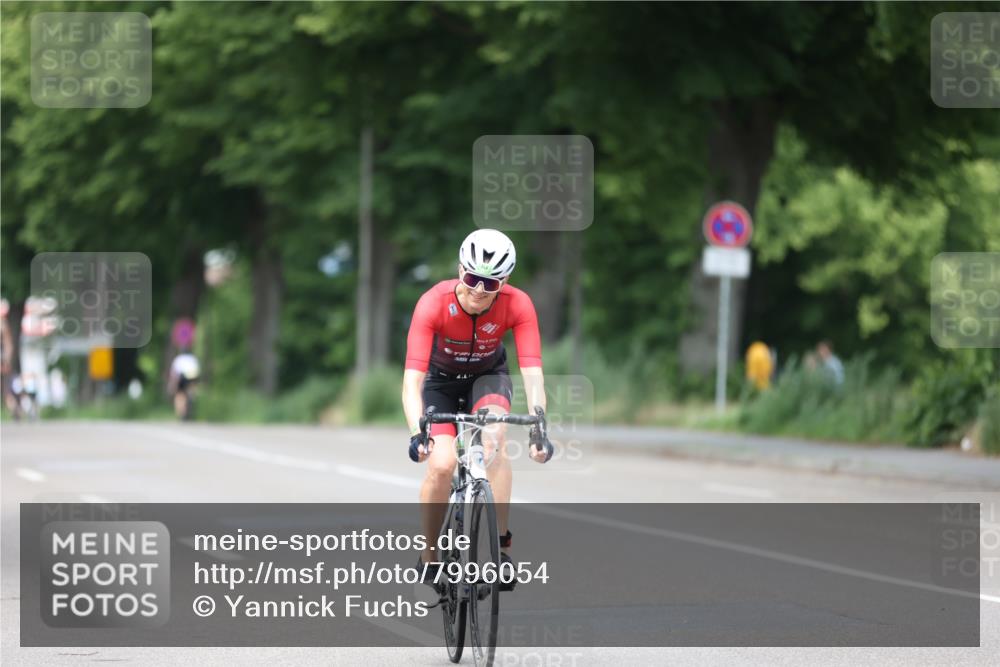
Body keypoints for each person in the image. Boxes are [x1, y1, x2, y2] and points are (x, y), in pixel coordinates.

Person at [402, 228, 551, 591]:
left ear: (505, 282)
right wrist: (417, 432)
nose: (479, 291)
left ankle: (500, 549)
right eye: (471, 279)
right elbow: (411, 381)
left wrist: (539, 429)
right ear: (459, 270)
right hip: (440, 383)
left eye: (490, 283)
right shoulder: (433, 303)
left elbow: (533, 373)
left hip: (488, 378)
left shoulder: (518, 304)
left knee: (495, 438)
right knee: (441, 465)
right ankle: (430, 555)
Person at [168, 349, 201, 419]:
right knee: (191, 389)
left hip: (182, 377)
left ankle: (181, 411)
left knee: (179, 394)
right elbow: (197, 370)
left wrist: (173, 384)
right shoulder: (193, 358)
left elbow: (174, 373)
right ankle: (192, 395)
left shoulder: (178, 359)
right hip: (192, 377)